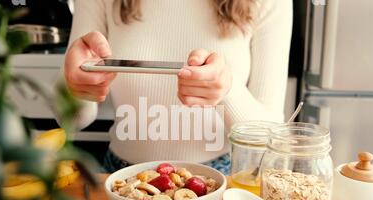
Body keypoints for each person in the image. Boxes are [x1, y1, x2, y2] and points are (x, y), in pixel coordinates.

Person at [63, 0, 293, 174]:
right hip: (122, 177)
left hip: (217, 180)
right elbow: (72, 120)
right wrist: (73, 86)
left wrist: (228, 91)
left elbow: (270, 140)